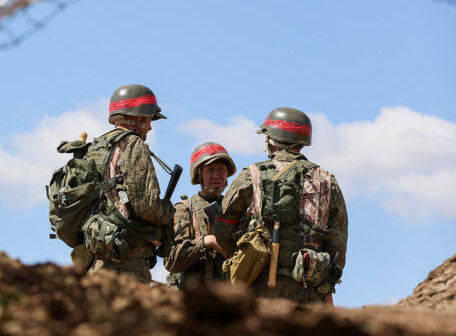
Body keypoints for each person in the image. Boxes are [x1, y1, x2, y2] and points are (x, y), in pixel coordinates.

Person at [214, 107, 348, 304]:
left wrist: (247, 255)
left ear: (271, 139)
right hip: (307, 291)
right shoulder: (328, 182)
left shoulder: (250, 175)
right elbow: (338, 246)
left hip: (257, 286)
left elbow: (223, 230)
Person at [85, 84, 175, 284]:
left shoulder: (96, 147)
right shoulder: (133, 145)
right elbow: (147, 206)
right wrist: (169, 211)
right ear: (138, 117)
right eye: (149, 119)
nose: (150, 127)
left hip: (97, 257)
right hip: (126, 260)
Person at [164, 142, 236, 289]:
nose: (216, 175)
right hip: (191, 299)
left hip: (226, 298)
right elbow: (171, 261)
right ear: (199, 174)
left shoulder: (235, 209)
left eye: (221, 169)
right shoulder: (184, 209)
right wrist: (206, 242)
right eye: (210, 170)